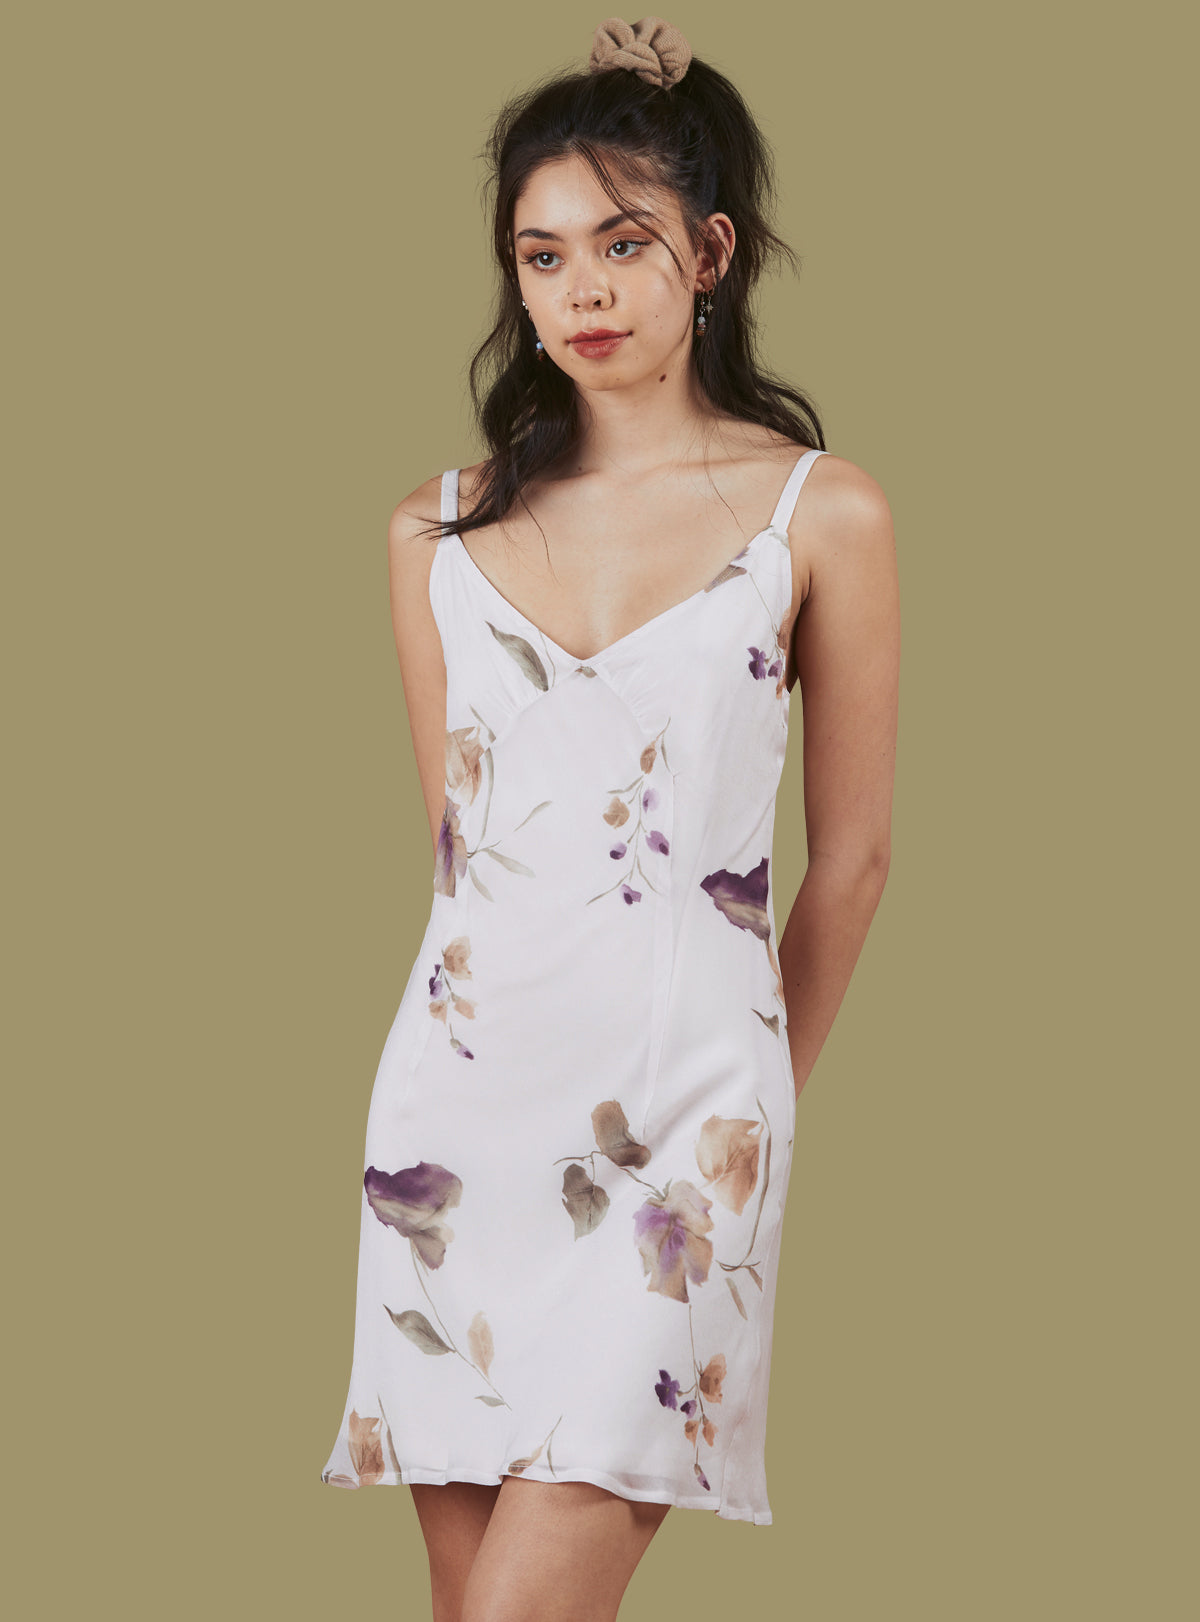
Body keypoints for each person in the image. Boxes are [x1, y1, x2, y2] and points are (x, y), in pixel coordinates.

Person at [320, 15, 899, 1620]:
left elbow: (853, 860)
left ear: (710, 255)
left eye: (624, 243)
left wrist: (747, 1104)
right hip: (455, 1129)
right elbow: (466, 860)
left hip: (683, 1137)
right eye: (543, 253)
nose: (581, 288)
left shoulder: (822, 513)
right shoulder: (433, 532)